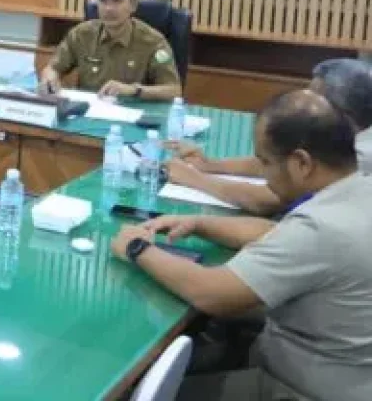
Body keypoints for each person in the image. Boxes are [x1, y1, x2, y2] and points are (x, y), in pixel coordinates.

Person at [111, 90, 372, 401]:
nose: (262, 173)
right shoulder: (356, 191)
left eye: (265, 162)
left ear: (301, 162)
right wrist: (202, 223)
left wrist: (138, 249)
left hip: (300, 388)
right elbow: (278, 234)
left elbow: (212, 293)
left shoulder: (322, 227)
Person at [166, 58, 372, 215]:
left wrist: (196, 179)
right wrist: (212, 165)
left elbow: (267, 200)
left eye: (314, 102)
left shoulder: (361, 156)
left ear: (340, 113)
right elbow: (277, 160)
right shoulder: (344, 136)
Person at [39, 0, 181, 101]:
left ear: (133, 5)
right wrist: (50, 78)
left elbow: (173, 90)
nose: (109, 9)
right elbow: (53, 68)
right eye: (103, 1)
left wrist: (133, 90)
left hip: (131, 116)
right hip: (86, 115)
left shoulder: (153, 42)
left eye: (117, 1)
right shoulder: (81, 35)